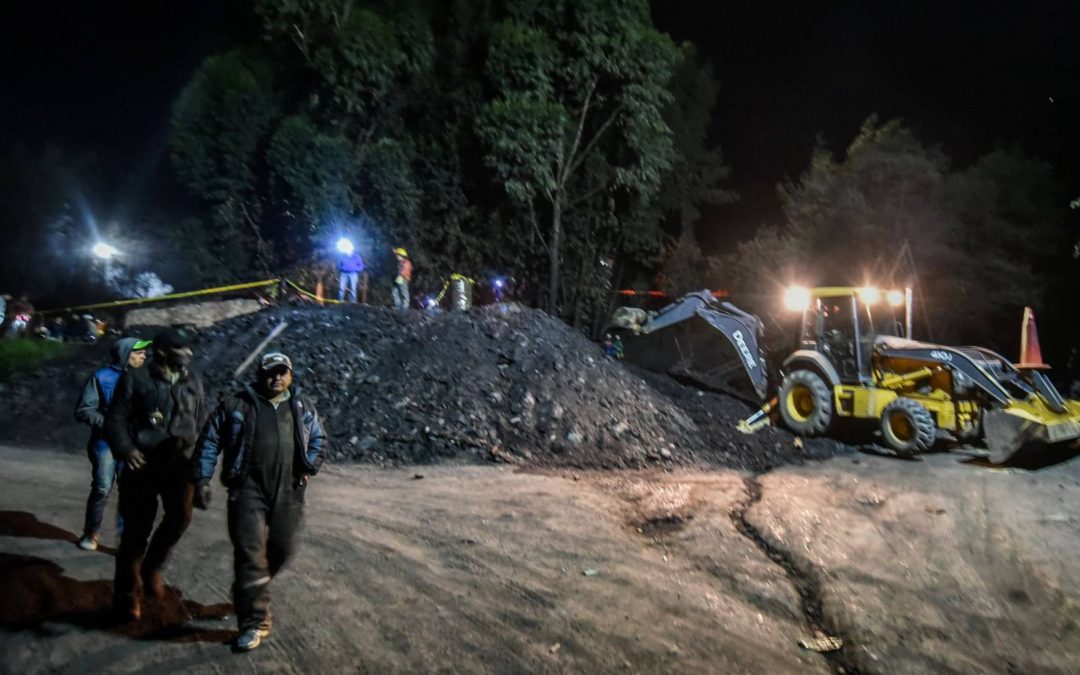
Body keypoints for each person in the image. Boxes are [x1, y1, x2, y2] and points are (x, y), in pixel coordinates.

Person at [192, 352, 327, 652]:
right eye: (271, 372)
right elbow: (210, 440)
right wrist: (201, 480)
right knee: (250, 556)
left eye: (283, 372)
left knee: (281, 550)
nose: (277, 377)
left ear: (291, 375)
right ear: (259, 374)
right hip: (247, 490)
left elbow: (319, 440)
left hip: (288, 491)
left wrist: (308, 467)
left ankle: (248, 590)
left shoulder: (301, 406)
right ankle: (254, 620)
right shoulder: (236, 404)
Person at [105, 327, 206, 621]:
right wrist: (126, 449)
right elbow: (115, 420)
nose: (189, 353)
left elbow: (200, 423)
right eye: (181, 349)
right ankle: (127, 595)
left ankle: (152, 568)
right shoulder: (136, 379)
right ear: (162, 352)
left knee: (180, 519)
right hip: (144, 465)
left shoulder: (193, 381)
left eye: (189, 348)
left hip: (180, 464)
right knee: (136, 530)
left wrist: (201, 470)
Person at [73, 337, 152, 551]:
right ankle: (91, 533)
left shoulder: (146, 379)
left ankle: (126, 543)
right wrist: (109, 424)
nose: (143, 356)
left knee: (130, 493)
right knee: (102, 488)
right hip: (105, 443)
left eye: (143, 353)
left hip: (132, 445)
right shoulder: (101, 377)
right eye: (138, 353)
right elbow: (84, 410)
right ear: (125, 354)